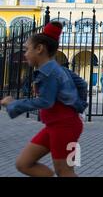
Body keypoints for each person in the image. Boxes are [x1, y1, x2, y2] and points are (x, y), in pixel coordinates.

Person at [0, 21, 87, 177]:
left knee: (65, 171)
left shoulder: (49, 72)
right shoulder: (59, 69)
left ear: (39, 49)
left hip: (65, 128)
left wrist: (13, 104)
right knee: (24, 164)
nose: (24, 54)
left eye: (27, 49)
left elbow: (45, 102)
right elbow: (82, 84)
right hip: (55, 126)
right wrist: (78, 106)